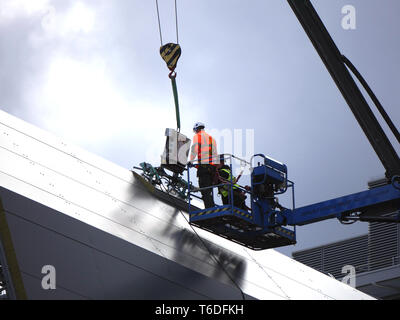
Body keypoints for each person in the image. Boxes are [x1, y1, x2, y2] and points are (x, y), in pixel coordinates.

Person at [189, 122, 218, 208]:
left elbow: (194, 150)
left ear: (197, 129)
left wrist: (191, 161)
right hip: (211, 168)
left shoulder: (198, 137)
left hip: (204, 168)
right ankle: (211, 208)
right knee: (208, 191)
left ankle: (209, 209)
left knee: (204, 191)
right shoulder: (211, 138)